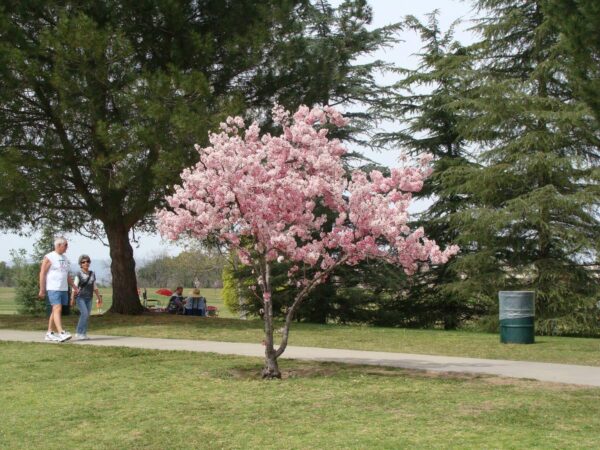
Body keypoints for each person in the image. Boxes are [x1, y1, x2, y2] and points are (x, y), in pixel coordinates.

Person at [38, 236, 79, 342]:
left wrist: (74, 286)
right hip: (53, 288)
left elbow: (67, 275)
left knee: (55, 310)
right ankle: (61, 332)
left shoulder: (65, 258)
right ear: (58, 245)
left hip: (63, 288)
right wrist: (42, 289)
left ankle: (49, 332)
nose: (67, 247)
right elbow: (42, 273)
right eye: (65, 245)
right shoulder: (49, 257)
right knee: (57, 309)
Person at [70, 254, 103, 340]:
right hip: (80, 297)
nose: (86, 263)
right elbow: (75, 287)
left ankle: (83, 333)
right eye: (83, 262)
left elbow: (94, 286)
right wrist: (72, 298)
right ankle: (78, 332)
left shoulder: (92, 273)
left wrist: (98, 297)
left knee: (87, 315)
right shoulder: (78, 274)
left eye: (87, 261)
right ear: (80, 264)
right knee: (84, 313)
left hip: (89, 297)